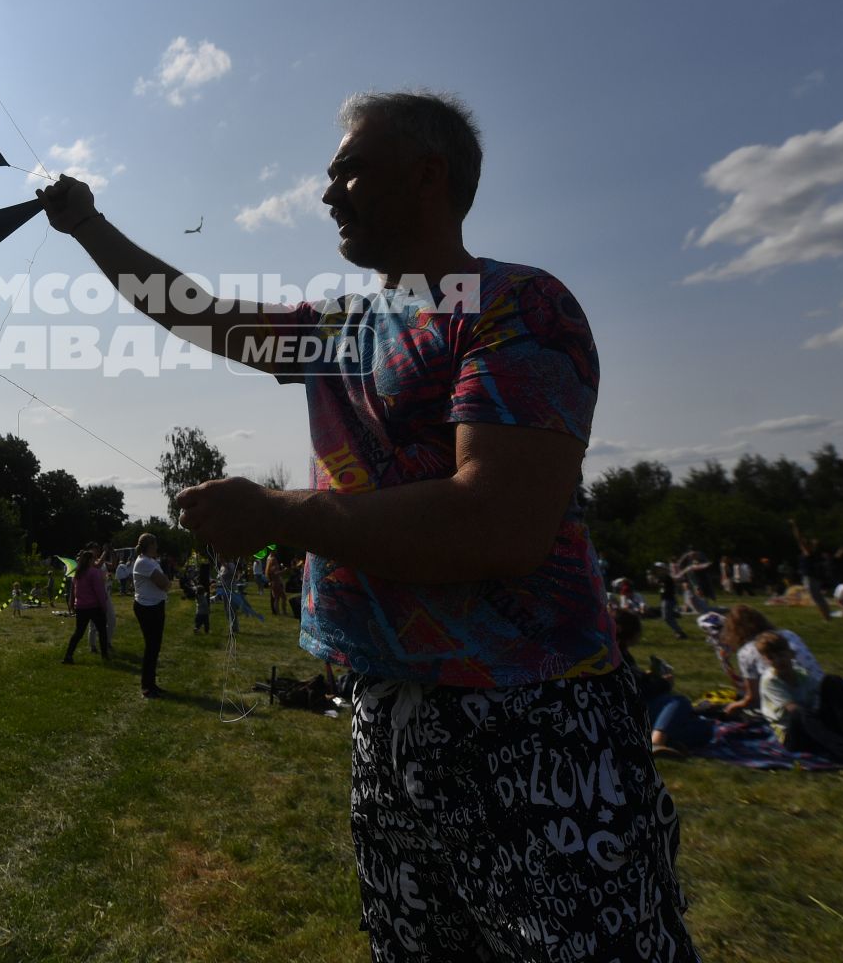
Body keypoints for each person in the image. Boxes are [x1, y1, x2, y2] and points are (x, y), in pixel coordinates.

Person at [41, 89, 698, 959]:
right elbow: (201, 314)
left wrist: (279, 512)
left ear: (429, 176)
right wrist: (90, 227)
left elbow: (496, 523)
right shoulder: (345, 328)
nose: (327, 193)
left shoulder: (516, 307)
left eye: (349, 170)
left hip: (530, 714)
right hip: (386, 711)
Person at [753, 631, 843, 786]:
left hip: (812, 724)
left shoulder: (801, 674)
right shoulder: (770, 681)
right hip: (793, 735)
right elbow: (793, 710)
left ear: (791, 654)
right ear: (765, 661)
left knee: (833, 681)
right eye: (771, 657)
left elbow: (821, 698)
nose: (777, 660)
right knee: (800, 712)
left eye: (780, 654)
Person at [613, 608, 713, 759]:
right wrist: (664, 684)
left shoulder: (619, 653)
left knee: (704, 729)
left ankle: (661, 741)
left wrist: (645, 676)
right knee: (679, 701)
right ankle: (656, 742)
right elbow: (634, 691)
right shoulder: (615, 657)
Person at [128, 532, 170, 698]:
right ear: (149, 546)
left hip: (153, 606)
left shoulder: (150, 561)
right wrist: (166, 582)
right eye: (155, 544)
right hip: (148, 608)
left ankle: (151, 684)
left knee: (154, 647)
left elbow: (164, 583)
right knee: (151, 647)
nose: (157, 547)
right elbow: (164, 583)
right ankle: (147, 686)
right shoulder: (145, 562)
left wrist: (165, 582)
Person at [62, 548, 112, 663]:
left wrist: (72, 605)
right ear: (90, 560)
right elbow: (99, 591)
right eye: (93, 558)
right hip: (94, 607)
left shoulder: (77, 574)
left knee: (78, 633)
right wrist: (104, 606)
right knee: (102, 631)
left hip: (81, 608)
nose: (95, 560)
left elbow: (73, 592)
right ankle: (104, 655)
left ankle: (68, 655)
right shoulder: (94, 572)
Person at [793, 522, 834, 620]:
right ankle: (827, 616)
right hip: (815, 577)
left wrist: (795, 526)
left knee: (817, 598)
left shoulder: (808, 553)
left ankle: (827, 617)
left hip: (811, 578)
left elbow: (798, 538)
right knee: (818, 597)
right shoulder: (815, 553)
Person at [191, 555, 212, 633]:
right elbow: (206, 602)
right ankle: (206, 630)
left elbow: (196, 580)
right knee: (206, 621)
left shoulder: (200, 576)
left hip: (198, 612)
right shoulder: (205, 576)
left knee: (198, 622)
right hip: (204, 611)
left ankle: (197, 628)